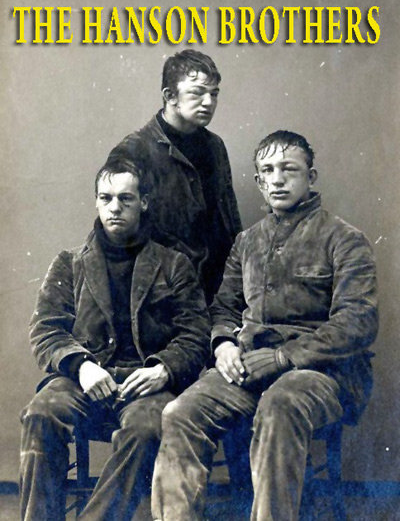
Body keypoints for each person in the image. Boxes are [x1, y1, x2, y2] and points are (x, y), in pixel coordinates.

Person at [151, 130, 378, 521]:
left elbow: (357, 322)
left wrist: (283, 357)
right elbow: (224, 307)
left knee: (280, 404)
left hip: (323, 374)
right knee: (179, 413)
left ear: (311, 176)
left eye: (289, 169)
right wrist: (223, 344)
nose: (278, 179)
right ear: (258, 181)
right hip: (249, 368)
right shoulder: (247, 242)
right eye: (268, 171)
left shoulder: (344, 240)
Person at [20, 154, 210, 521]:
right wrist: (82, 366)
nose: (115, 207)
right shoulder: (69, 263)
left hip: (147, 385)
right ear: (96, 202)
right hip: (84, 379)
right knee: (40, 413)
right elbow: (45, 329)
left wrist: (164, 370)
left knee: (148, 429)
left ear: (144, 202)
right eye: (106, 198)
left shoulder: (174, 264)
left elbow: (196, 334)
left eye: (125, 198)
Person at [107, 49, 242, 303]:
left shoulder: (215, 146)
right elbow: (120, 234)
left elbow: (230, 220)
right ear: (170, 96)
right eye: (197, 92)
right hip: (163, 294)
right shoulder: (133, 151)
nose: (208, 102)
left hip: (218, 291)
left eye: (214, 94)